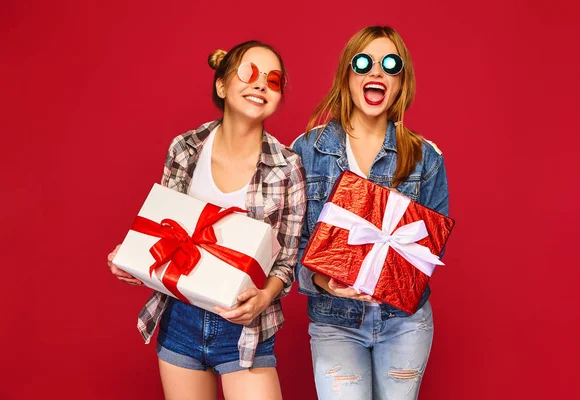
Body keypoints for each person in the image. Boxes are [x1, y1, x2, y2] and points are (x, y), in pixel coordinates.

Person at [107, 40, 306, 400]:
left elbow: (287, 260)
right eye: (249, 73)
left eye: (273, 80)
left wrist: (264, 298)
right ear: (221, 85)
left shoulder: (287, 167)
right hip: (180, 320)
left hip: (246, 328)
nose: (261, 84)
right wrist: (133, 261)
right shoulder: (185, 148)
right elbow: (166, 230)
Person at [292, 26, 449, 400]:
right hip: (334, 324)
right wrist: (321, 281)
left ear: (401, 83)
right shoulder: (306, 149)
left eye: (390, 65)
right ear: (347, 75)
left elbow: (432, 249)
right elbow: (289, 245)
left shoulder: (425, 156)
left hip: (404, 324)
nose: (376, 73)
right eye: (364, 63)